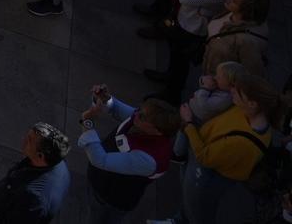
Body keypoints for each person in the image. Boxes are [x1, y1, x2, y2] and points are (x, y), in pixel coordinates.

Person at [178, 70, 277, 223]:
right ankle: (181, 219)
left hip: (207, 175)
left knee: (197, 211)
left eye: (237, 92)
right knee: (188, 200)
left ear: (252, 103)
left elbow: (204, 157)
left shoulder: (242, 142)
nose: (231, 91)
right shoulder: (245, 109)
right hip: (202, 158)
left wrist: (189, 123)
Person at [75, 87, 179, 224]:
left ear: (157, 131)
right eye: (140, 110)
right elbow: (116, 108)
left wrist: (87, 122)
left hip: (110, 198)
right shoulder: (140, 120)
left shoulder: (149, 159)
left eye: (142, 116)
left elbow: (100, 159)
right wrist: (105, 98)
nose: (136, 114)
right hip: (101, 181)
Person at [0, 123, 69, 222]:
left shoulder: (33, 198)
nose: (23, 140)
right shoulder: (58, 163)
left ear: (41, 156)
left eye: (29, 140)